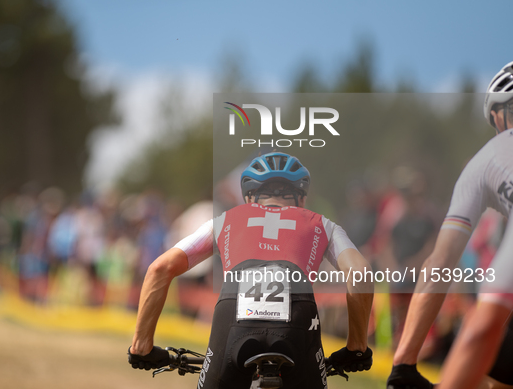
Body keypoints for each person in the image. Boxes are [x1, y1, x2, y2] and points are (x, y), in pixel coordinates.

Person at [128, 152, 374, 389]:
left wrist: (142, 346)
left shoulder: (225, 219)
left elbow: (160, 268)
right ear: (301, 198)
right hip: (299, 319)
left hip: (232, 316)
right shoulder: (323, 224)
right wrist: (356, 347)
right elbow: (360, 273)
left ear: (249, 198)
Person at [387, 61, 513, 389]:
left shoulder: (489, 157)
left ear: (500, 115)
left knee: (490, 347)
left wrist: (403, 364)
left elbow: (439, 265)